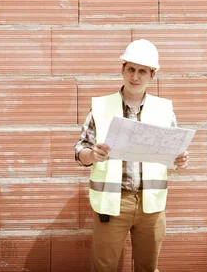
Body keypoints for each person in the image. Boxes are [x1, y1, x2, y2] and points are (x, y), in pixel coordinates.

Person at [75, 38, 190, 272]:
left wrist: (180, 160)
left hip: (152, 204)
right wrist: (92, 155)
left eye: (142, 71)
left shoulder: (164, 110)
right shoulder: (100, 107)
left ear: (152, 75)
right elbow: (80, 151)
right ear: (122, 69)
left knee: (148, 268)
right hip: (111, 203)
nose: (135, 76)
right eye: (131, 69)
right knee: (103, 268)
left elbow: (173, 153)